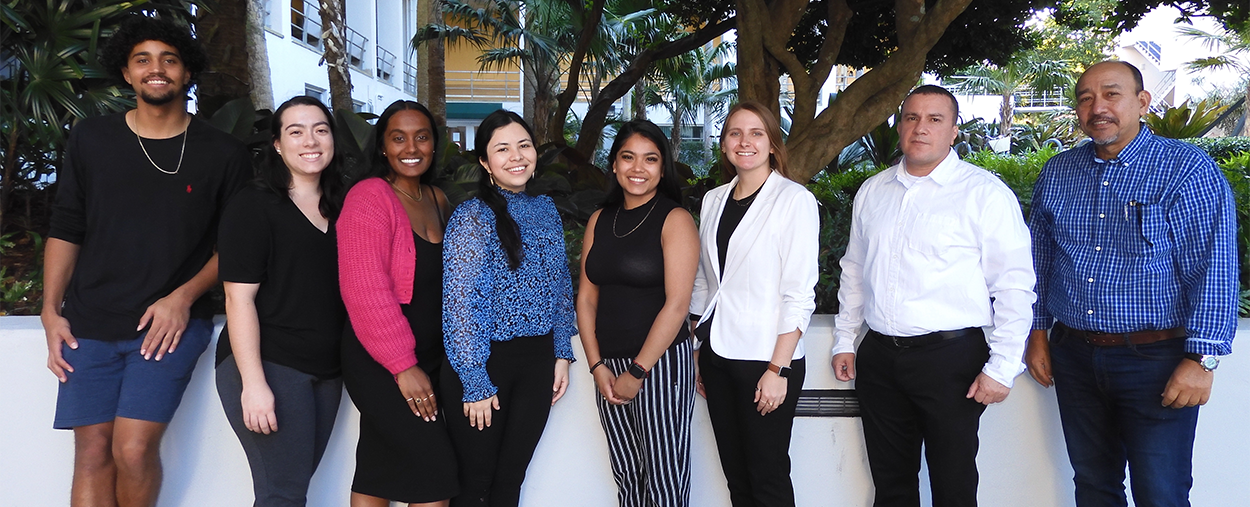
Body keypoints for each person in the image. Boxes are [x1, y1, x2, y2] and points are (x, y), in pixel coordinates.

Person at [41, 15, 250, 507]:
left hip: (168, 325)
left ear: (187, 73)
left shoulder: (223, 152)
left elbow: (237, 248)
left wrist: (182, 299)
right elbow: (67, 228)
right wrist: (52, 310)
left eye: (169, 60)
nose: (156, 70)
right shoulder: (92, 139)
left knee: (133, 450)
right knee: (92, 451)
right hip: (89, 321)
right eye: (143, 60)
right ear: (127, 74)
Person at [1024, 61, 1237, 507]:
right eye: (1085, 97)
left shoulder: (1185, 169)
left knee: (1160, 492)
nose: (1097, 107)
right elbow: (1039, 261)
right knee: (1094, 485)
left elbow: (1213, 265)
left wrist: (1203, 358)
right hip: (1074, 356)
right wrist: (1038, 333)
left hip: (1155, 360)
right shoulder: (1059, 172)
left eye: (1111, 94)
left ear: (1142, 102)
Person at [830, 85, 1037, 507]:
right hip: (881, 359)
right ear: (900, 125)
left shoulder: (984, 194)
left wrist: (1002, 366)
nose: (920, 128)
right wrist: (845, 339)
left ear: (954, 131)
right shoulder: (873, 191)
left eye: (934, 119)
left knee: (953, 483)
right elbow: (854, 272)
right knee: (891, 485)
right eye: (911, 118)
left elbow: (1014, 285)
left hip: (950, 361)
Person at [214, 96, 347, 507]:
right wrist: (253, 384)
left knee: (290, 490)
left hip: (327, 369)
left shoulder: (344, 204)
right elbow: (238, 299)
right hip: (271, 363)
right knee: (282, 495)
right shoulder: (254, 205)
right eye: (296, 131)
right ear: (276, 144)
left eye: (320, 129)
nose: (310, 140)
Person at [442, 110, 576, 507]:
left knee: (510, 482)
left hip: (536, 363)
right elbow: (460, 304)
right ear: (484, 162)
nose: (517, 156)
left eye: (524, 145)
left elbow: (560, 286)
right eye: (502, 149)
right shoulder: (471, 217)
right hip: (486, 366)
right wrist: (475, 381)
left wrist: (561, 353)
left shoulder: (546, 209)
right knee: (475, 484)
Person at [689, 101, 819, 507]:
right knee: (737, 479)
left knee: (768, 479)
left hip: (766, 360)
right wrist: (697, 349)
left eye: (756, 133)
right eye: (735, 133)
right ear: (725, 144)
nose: (745, 142)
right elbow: (704, 283)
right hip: (717, 355)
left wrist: (777, 369)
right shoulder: (713, 199)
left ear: (772, 143)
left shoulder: (793, 200)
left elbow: (799, 294)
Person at [338, 100, 458, 507]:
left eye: (422, 136)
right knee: (435, 477)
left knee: (380, 466)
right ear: (383, 147)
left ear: (434, 144)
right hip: (380, 359)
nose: (412, 147)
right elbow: (364, 288)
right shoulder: (369, 197)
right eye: (398, 137)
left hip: (429, 355)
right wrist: (404, 366)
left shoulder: (438, 200)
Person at [577, 120, 700, 507]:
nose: (638, 168)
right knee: (628, 476)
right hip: (608, 366)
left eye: (650, 159)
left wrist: (637, 371)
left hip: (659, 367)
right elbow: (586, 298)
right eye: (628, 157)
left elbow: (677, 305)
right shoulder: (600, 219)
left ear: (663, 169)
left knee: (664, 479)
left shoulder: (675, 219)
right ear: (614, 164)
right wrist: (597, 367)